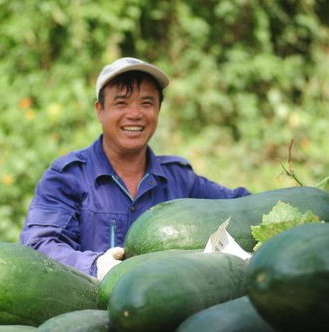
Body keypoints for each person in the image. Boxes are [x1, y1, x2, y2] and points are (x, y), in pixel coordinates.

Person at [19, 57, 251, 280]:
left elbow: (242, 207)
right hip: (87, 308)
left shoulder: (180, 179)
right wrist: (95, 265)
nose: (135, 114)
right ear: (100, 110)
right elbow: (38, 246)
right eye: (121, 103)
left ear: (158, 110)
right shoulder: (68, 177)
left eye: (146, 103)